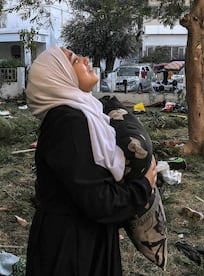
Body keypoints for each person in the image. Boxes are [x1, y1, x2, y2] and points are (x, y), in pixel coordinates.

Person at [24, 45, 158, 276]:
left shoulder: (81, 115)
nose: (86, 59)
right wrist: (144, 185)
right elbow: (98, 200)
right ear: (59, 75)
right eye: (75, 60)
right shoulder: (68, 122)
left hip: (81, 238)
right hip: (72, 250)